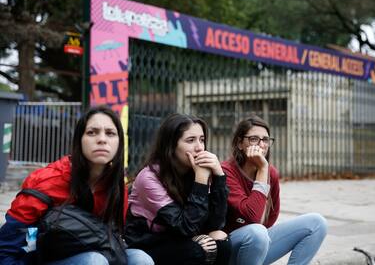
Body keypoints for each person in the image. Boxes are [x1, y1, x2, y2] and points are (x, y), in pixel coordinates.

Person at [0, 106, 154, 265]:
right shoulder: (48, 180)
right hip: (44, 257)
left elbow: (117, 237)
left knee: (141, 259)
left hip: (100, 252)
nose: (102, 139)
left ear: (119, 143)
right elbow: (7, 246)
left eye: (110, 133)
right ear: (79, 141)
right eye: (92, 132)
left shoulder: (117, 185)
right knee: (94, 261)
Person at [125, 113, 231, 265]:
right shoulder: (149, 177)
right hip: (148, 245)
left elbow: (216, 224)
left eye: (202, 140)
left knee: (221, 242)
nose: (200, 147)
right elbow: (186, 227)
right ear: (171, 145)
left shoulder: (196, 170)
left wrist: (219, 176)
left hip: (181, 240)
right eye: (190, 140)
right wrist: (200, 181)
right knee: (197, 249)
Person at [222, 116, 327, 265]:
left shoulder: (271, 173)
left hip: (258, 245)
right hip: (230, 250)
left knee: (317, 223)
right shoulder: (226, 171)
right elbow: (252, 217)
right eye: (254, 139)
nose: (261, 145)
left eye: (265, 140)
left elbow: (270, 219)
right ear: (239, 143)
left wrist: (264, 170)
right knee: (257, 232)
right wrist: (263, 169)